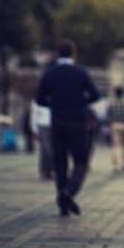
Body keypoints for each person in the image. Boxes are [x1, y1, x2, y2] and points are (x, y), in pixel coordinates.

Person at [36, 38, 100, 217]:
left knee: (60, 162)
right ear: (73, 53)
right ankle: (68, 192)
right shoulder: (80, 73)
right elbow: (94, 96)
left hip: (57, 121)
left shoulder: (50, 73)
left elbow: (40, 99)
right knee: (81, 161)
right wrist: (79, 102)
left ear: (58, 53)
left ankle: (63, 205)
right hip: (77, 122)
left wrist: (56, 104)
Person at [106, 86, 124, 173]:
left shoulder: (111, 103)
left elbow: (108, 115)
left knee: (116, 146)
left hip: (114, 125)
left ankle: (116, 166)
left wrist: (110, 124)